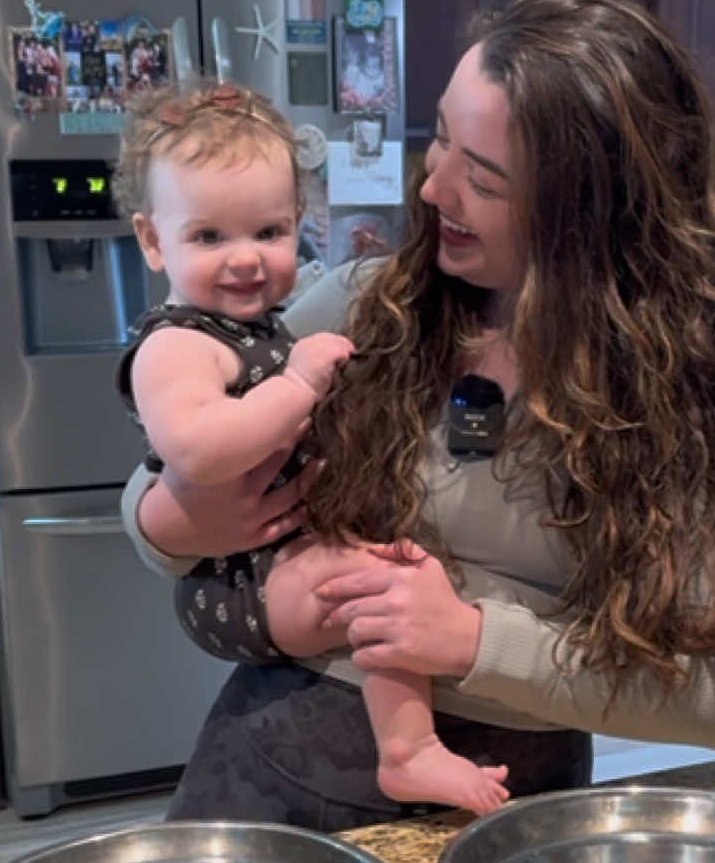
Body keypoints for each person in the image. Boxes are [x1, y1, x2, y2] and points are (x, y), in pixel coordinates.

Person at [122, 0, 715, 831]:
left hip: (510, 805)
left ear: (588, 215)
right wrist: (174, 525)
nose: (432, 192)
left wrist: (473, 640)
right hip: (268, 769)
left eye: (485, 179)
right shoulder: (363, 304)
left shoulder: (689, 393)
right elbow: (158, 470)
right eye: (440, 141)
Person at [115, 82, 512, 815]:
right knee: (382, 591)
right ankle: (409, 751)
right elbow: (195, 453)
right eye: (209, 237)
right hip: (237, 581)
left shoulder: (260, 326)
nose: (245, 260)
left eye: (268, 233)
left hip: (277, 561)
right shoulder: (175, 345)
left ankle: (410, 746)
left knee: (394, 575)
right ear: (151, 240)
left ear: (299, 223)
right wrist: (299, 384)